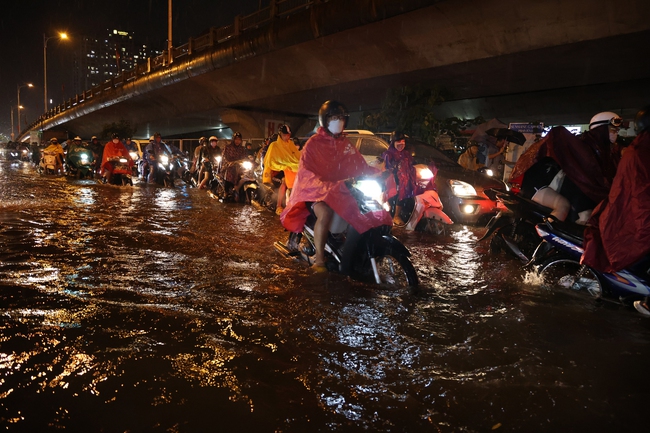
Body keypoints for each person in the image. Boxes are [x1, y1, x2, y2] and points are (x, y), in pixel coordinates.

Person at [280, 100, 392, 273]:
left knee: (360, 209)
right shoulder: (313, 144)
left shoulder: (345, 144)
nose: (337, 121)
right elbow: (306, 172)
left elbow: (358, 164)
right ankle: (319, 260)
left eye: (340, 117)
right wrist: (322, 185)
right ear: (325, 120)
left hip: (338, 190)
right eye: (333, 117)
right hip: (314, 193)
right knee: (325, 213)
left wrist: (378, 172)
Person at [580, 106, 650, 315]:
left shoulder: (623, 151)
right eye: (611, 130)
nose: (615, 134)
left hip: (618, 203)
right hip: (612, 205)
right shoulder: (639, 151)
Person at [263, 124, 301, 215]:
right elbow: (270, 162)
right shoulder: (274, 145)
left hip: (288, 170)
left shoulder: (290, 144)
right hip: (276, 171)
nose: (287, 137)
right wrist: (283, 166)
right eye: (285, 135)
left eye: (288, 135)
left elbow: (296, 156)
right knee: (284, 183)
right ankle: (278, 206)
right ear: (280, 134)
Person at [382, 131, 417, 225]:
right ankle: (396, 216)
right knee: (402, 190)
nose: (401, 143)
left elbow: (413, 164)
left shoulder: (406, 154)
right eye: (398, 141)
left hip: (405, 179)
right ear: (393, 142)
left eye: (403, 141)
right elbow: (386, 167)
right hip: (393, 180)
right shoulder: (388, 154)